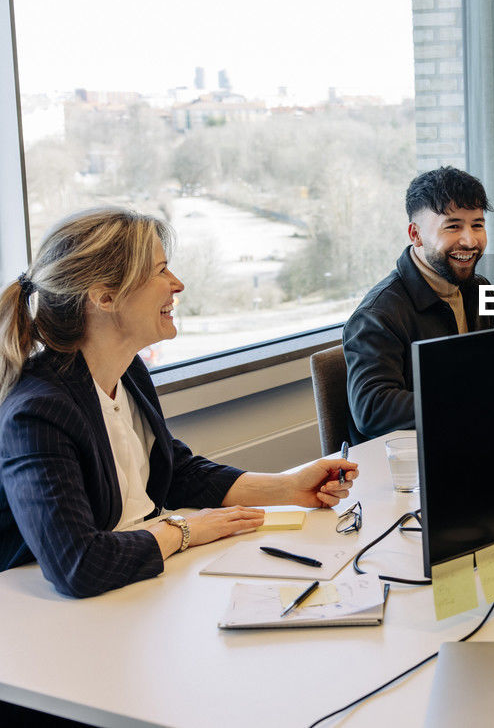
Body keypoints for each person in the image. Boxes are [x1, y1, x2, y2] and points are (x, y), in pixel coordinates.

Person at [0, 208, 358, 599]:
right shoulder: (37, 413)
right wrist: (185, 530)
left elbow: (177, 471)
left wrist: (287, 487)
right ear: (104, 297)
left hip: (138, 587)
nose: (177, 284)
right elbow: (79, 565)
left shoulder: (128, 371)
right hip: (59, 617)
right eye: (160, 271)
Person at [343, 166, 494, 440]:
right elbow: (372, 409)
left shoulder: (479, 288)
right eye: (453, 226)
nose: (470, 240)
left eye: (477, 224)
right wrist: (472, 400)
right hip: (410, 464)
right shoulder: (377, 315)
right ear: (415, 235)